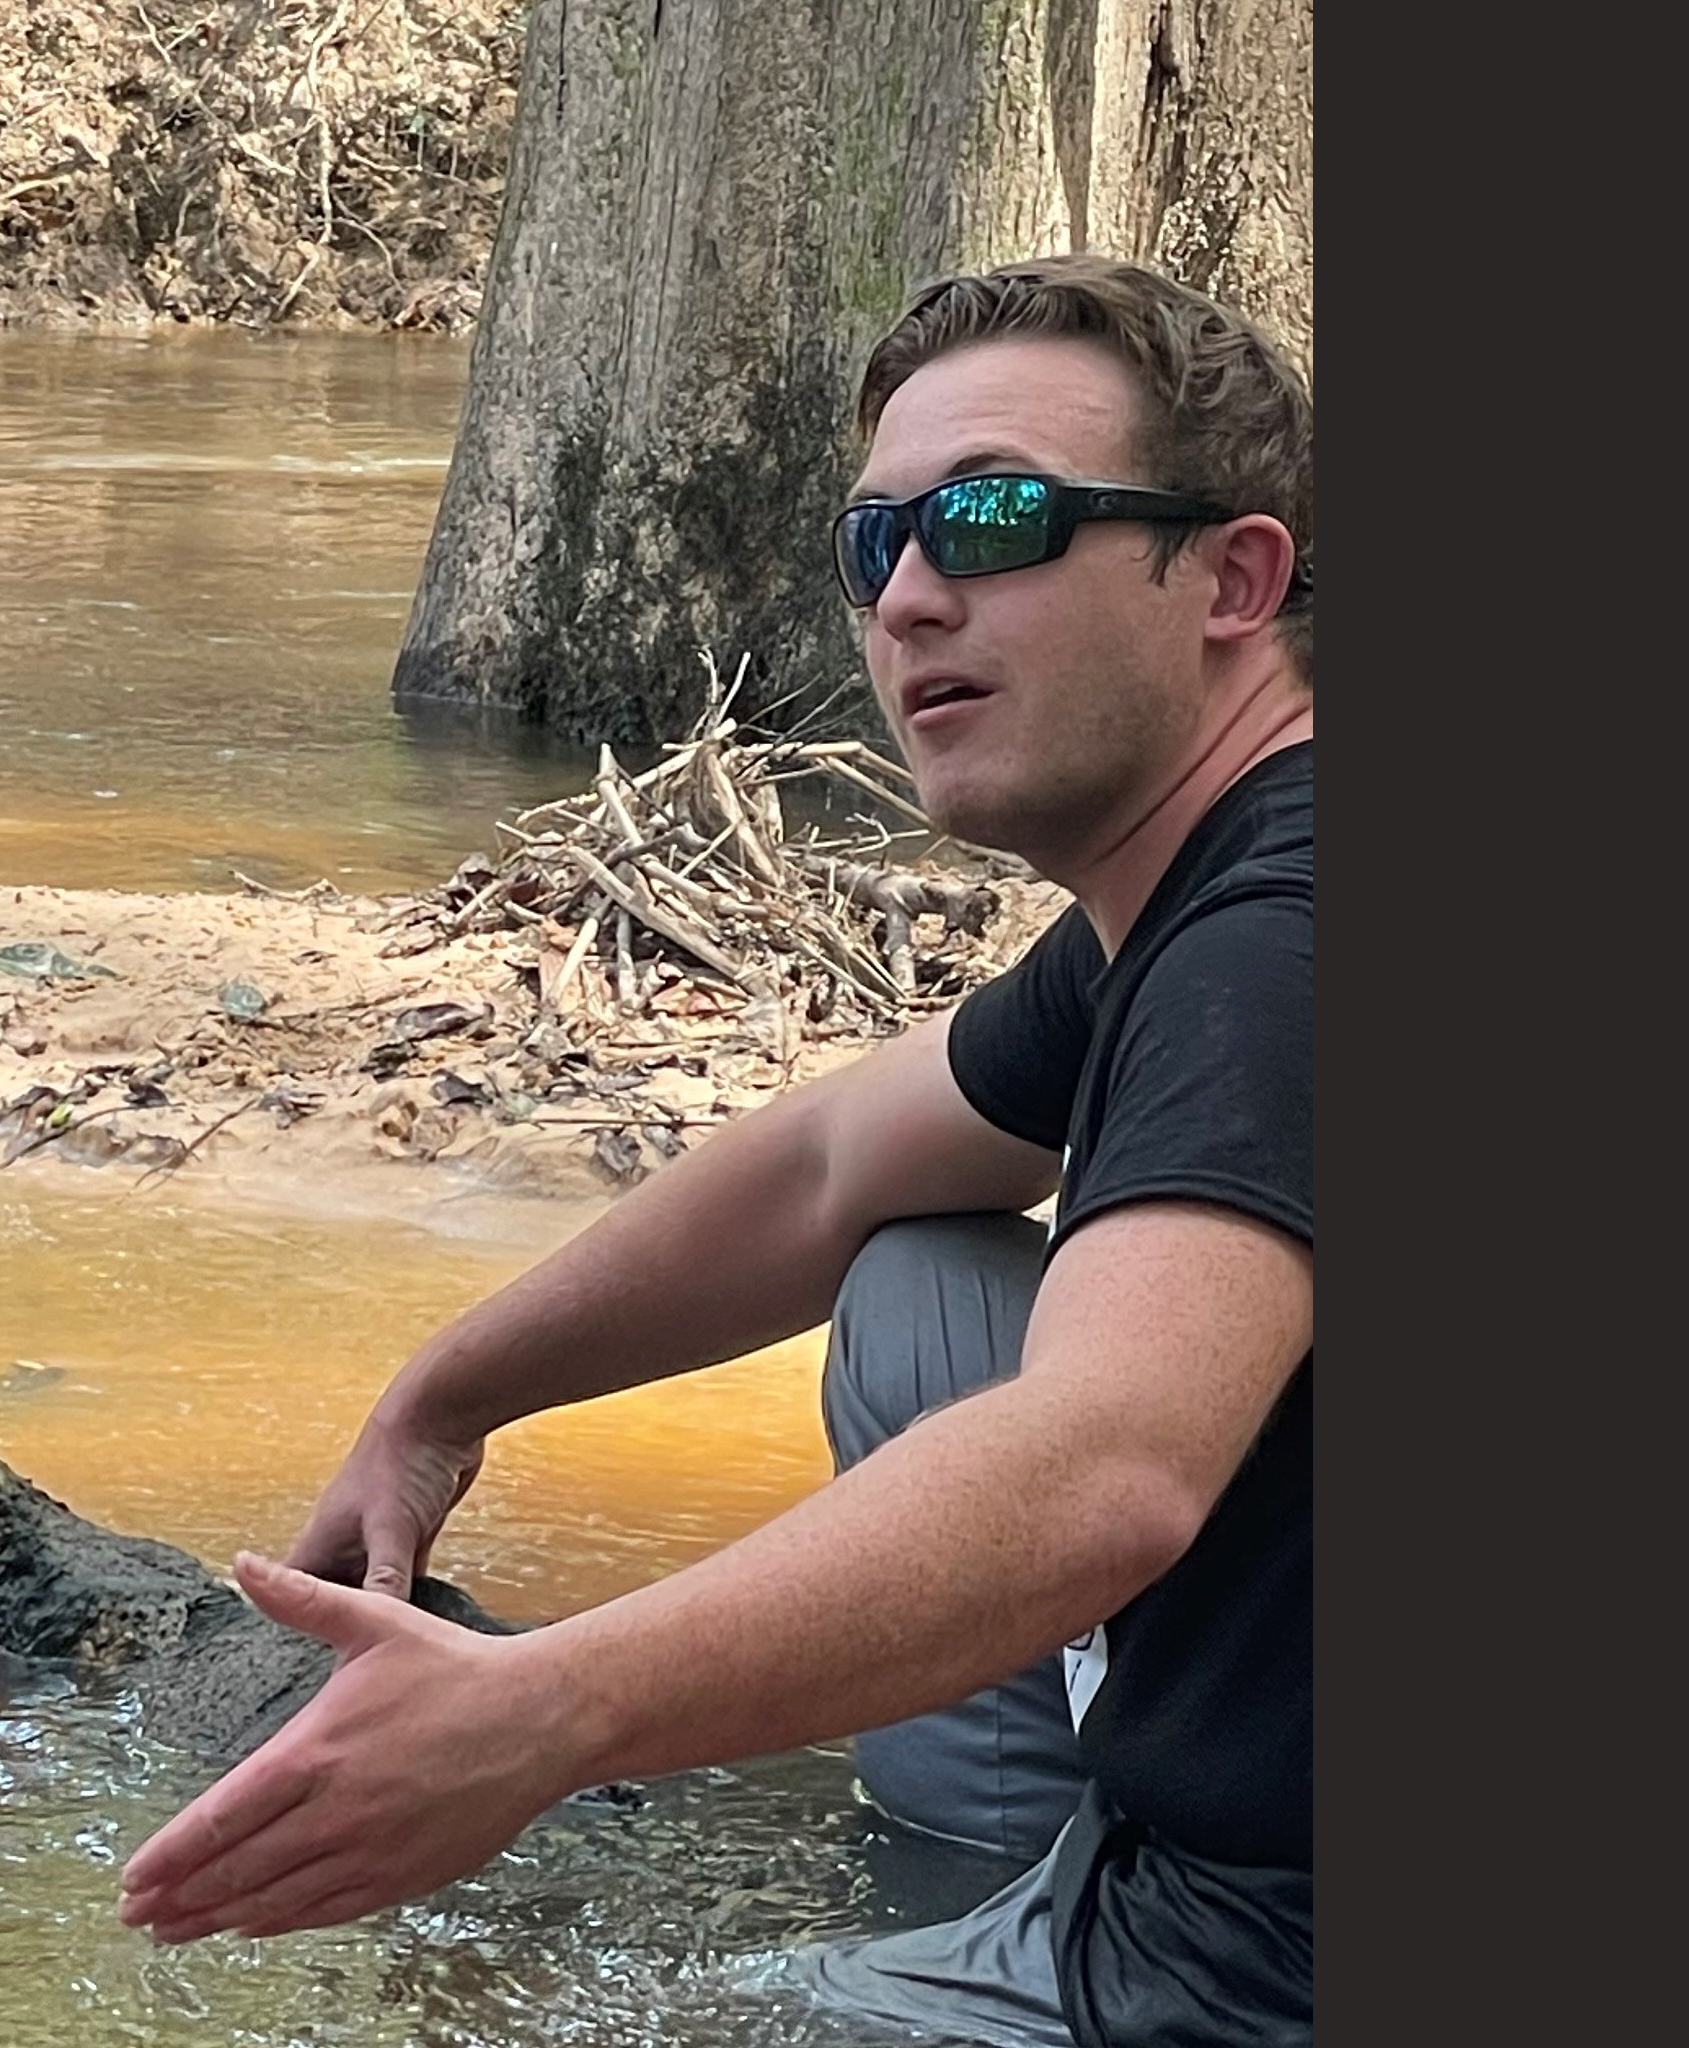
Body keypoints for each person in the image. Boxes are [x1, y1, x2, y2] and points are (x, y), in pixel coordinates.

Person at [113, 254, 1315, 2048]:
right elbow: (831, 1160)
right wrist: (439, 1399)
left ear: (1233, 577)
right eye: (875, 541)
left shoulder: (1275, 943)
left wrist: (551, 1709)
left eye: (991, 520)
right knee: (920, 1267)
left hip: (1259, 1973)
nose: (909, 597)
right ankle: (993, 1878)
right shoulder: (1189, 899)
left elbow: (1105, 1473)